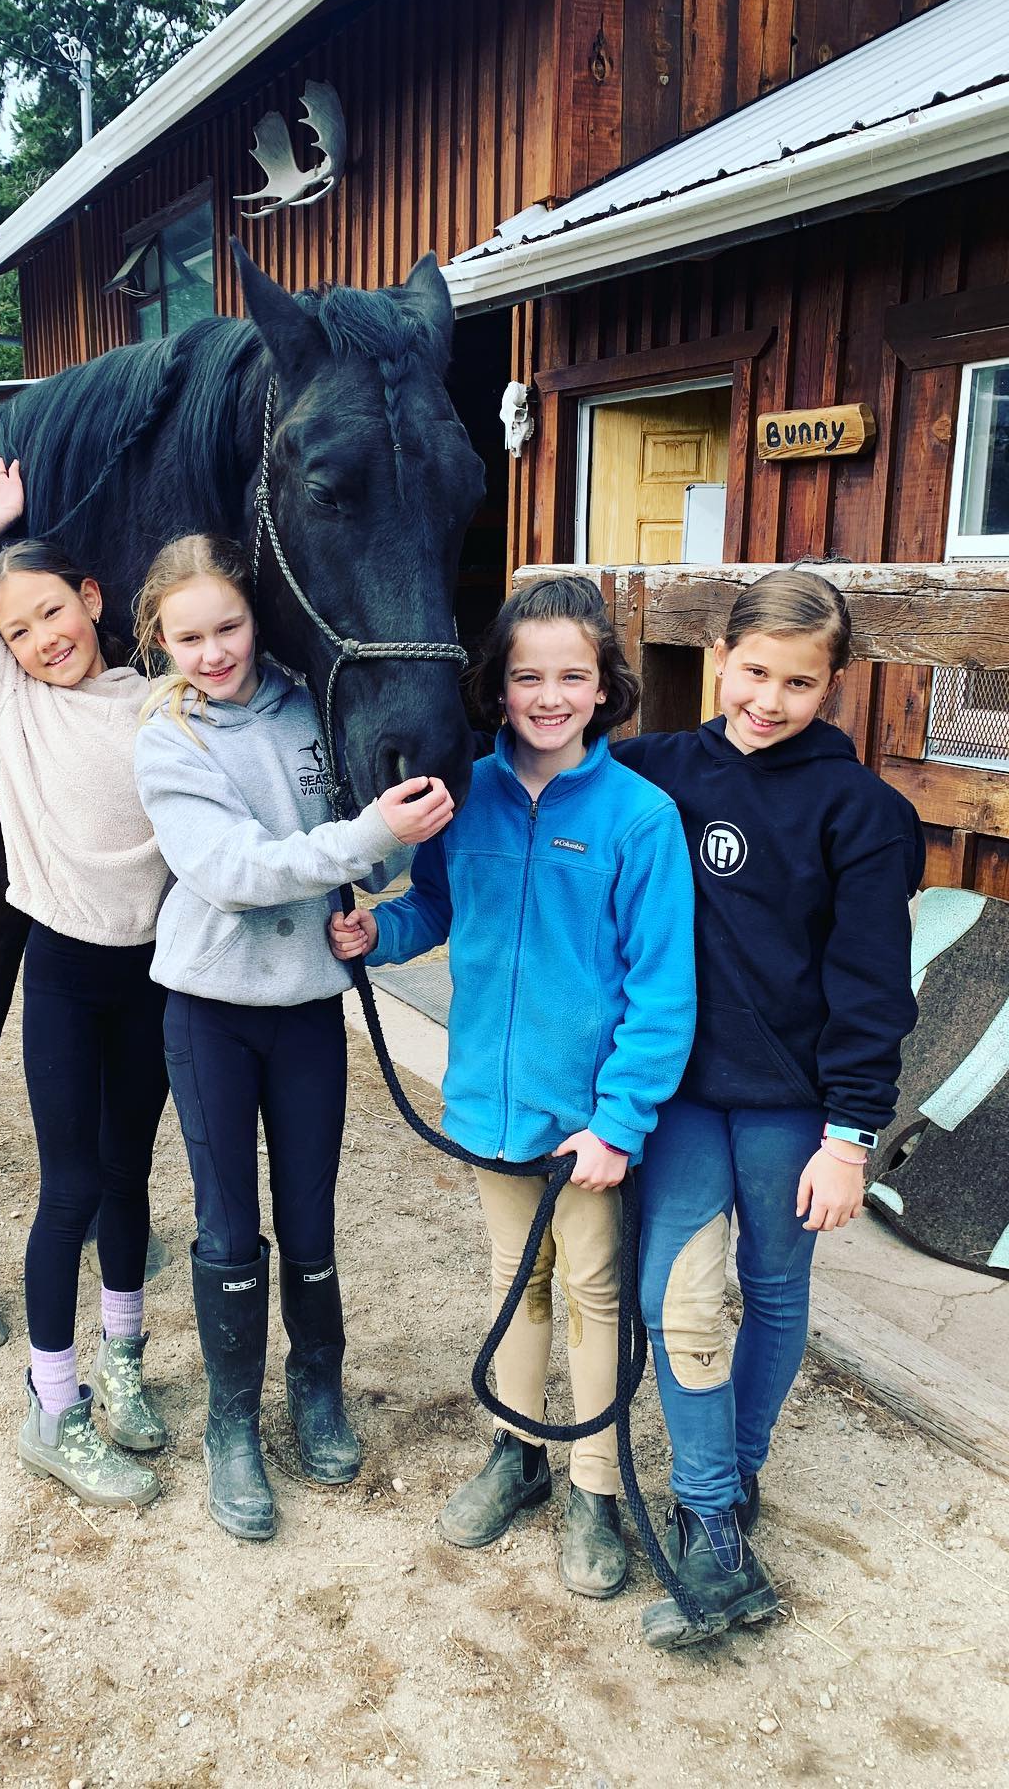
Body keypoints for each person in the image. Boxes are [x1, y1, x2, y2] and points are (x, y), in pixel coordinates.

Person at [332, 576, 696, 1598]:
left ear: (604, 687)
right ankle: (518, 1449)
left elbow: (663, 991)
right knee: (513, 1280)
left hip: (585, 1130)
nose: (549, 697)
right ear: (497, 686)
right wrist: (375, 932)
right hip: (490, 1110)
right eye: (528, 676)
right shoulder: (468, 795)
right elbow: (435, 908)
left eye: (572, 677)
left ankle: (595, 1487)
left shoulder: (640, 820)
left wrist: (619, 1122)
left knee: (593, 1295)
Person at [615, 568, 925, 1648]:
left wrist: (851, 1137)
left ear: (835, 684)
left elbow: (872, 987)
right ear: (719, 658)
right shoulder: (651, 772)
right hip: (684, 1096)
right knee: (677, 1300)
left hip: (795, 1108)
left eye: (799, 682)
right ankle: (710, 1512)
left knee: (775, 1288)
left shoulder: (866, 815)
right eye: (753, 672)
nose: (768, 700)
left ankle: (730, 1484)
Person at [131, 534, 454, 1541]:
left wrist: (379, 874)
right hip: (212, 1013)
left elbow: (375, 849)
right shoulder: (167, 740)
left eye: (228, 627)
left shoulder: (317, 704)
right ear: (161, 640)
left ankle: (318, 1388)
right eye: (188, 638)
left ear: (256, 616)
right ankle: (231, 1423)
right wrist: (370, 838)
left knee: (310, 1215)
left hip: (310, 1007)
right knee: (230, 1223)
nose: (213, 652)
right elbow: (234, 872)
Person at [0, 457, 171, 1511]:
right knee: (71, 1189)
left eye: (52, 611)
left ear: (92, 599)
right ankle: (53, 1410)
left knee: (131, 1175)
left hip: (155, 979)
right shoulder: (2, 705)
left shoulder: (162, 704)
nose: (41, 638)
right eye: (16, 629)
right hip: (63, 975)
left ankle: (124, 1361)